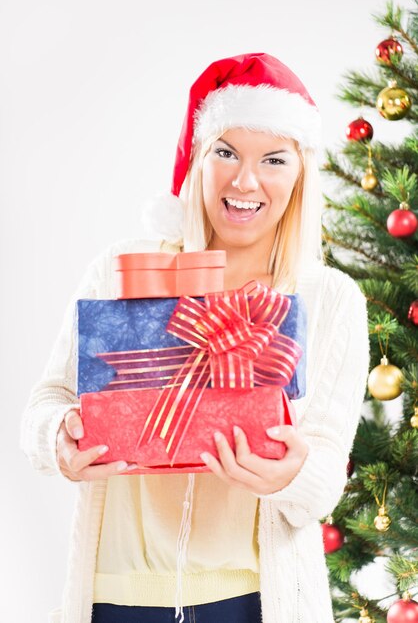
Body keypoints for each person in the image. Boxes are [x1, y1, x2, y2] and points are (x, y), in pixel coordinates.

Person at [21, 53, 370, 623]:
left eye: (274, 159)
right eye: (226, 152)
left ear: (301, 173)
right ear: (197, 161)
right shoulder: (120, 272)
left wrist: (293, 474)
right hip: (117, 597)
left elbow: (324, 478)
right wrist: (59, 438)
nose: (245, 180)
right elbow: (46, 404)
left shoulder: (330, 299)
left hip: (255, 601)